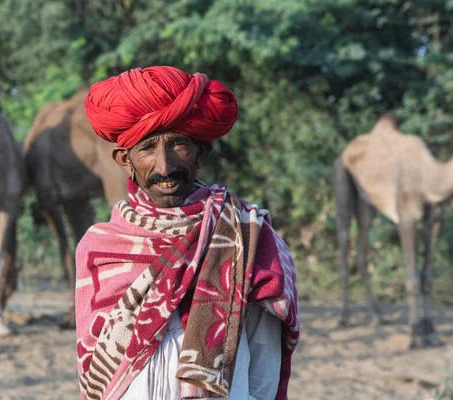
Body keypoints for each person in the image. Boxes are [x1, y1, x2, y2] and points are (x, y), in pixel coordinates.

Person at [75, 66, 299, 400]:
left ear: (200, 153)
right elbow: (94, 371)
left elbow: (264, 368)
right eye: (148, 148)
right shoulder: (101, 247)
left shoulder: (246, 236)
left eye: (178, 145)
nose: (165, 167)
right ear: (125, 161)